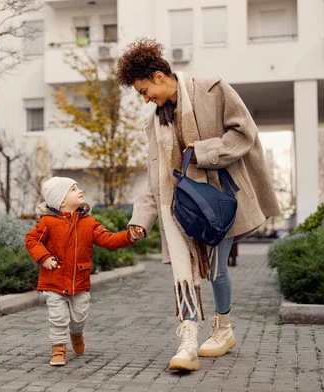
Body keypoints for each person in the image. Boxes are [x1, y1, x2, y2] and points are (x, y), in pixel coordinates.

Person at [117, 38, 281, 371]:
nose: (145, 98)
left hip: (220, 202)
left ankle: (223, 329)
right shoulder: (156, 122)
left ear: (160, 76)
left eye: (144, 90)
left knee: (219, 270)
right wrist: (141, 218)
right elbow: (157, 176)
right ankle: (188, 341)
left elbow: (244, 133)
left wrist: (204, 152)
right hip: (180, 208)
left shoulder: (213, 90)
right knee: (184, 272)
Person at [25, 177, 142, 366]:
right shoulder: (47, 222)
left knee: (79, 316)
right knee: (58, 317)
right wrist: (44, 257)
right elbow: (32, 240)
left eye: (78, 188)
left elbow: (108, 239)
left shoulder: (88, 223)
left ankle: (77, 334)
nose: (79, 191)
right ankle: (58, 349)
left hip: (79, 280)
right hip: (53, 280)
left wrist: (129, 236)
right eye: (73, 189)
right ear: (61, 200)